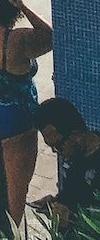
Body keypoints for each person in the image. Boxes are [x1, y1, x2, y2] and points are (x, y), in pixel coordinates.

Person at [0, 0, 53, 222]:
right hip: (19, 124)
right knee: (16, 196)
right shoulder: (17, 40)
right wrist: (24, 6)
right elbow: (50, 37)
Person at [33, 97, 100, 231]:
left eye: (58, 146)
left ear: (76, 135)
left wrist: (72, 218)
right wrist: (55, 202)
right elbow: (73, 193)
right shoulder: (73, 157)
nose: (56, 152)